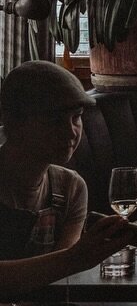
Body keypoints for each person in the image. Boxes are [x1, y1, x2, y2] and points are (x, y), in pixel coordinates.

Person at [0, 61, 91, 260]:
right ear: (15, 123)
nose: (71, 132)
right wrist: (81, 256)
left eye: (76, 117)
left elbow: (62, 274)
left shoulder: (70, 188)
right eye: (55, 120)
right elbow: (65, 264)